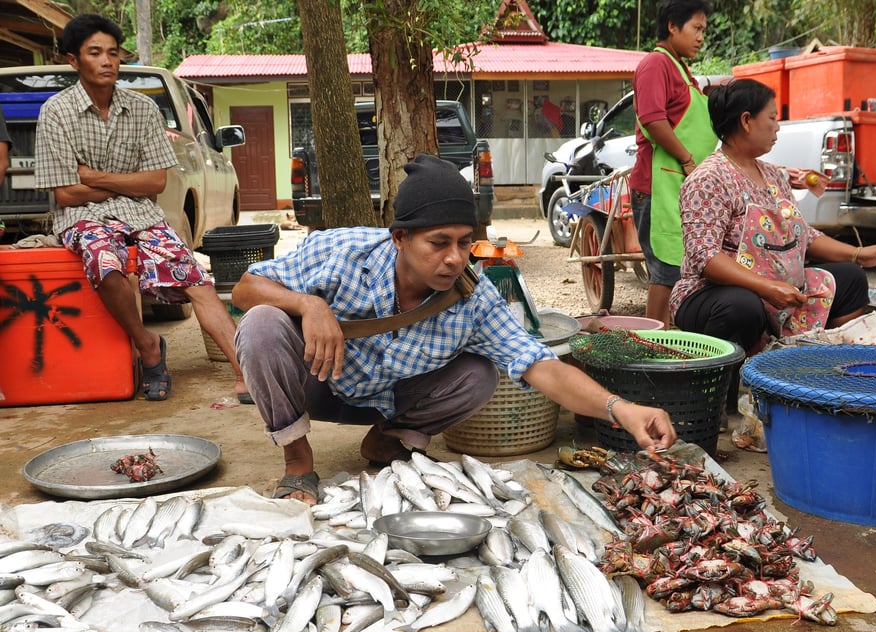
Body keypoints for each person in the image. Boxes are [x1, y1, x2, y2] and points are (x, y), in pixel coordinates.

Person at [233, 154, 677, 505]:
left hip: (390, 401)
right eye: (439, 242)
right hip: (315, 384)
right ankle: (297, 459)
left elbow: (542, 365)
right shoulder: (342, 251)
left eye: (465, 243)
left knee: (480, 375)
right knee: (262, 323)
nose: (454, 258)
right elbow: (245, 289)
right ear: (399, 238)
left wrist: (621, 409)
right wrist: (308, 304)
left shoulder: (474, 298)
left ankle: (387, 442)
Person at [34, 14, 248, 402]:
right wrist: (125, 183)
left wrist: (94, 177)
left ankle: (245, 369)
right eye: (95, 53)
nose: (107, 61)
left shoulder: (143, 109)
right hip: (83, 218)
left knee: (196, 281)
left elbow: (155, 183)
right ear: (73, 60)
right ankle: (148, 345)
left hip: (143, 216)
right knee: (105, 263)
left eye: (113, 53)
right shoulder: (56, 112)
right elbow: (66, 194)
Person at [670, 78, 876, 355]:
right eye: (772, 118)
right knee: (742, 306)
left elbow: (804, 236)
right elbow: (705, 257)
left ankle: (827, 359)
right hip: (712, 293)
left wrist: (859, 254)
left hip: (777, 287)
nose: (777, 127)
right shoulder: (709, 179)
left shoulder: (772, 175)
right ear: (746, 121)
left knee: (851, 278)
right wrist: (766, 287)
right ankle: (734, 377)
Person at [630, 0, 718, 328]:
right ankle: (652, 344)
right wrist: (687, 159)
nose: (701, 37)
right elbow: (652, 119)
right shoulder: (656, 64)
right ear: (672, 26)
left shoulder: (681, 70)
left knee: (679, 271)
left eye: (703, 30)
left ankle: (667, 339)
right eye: (696, 28)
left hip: (679, 185)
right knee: (665, 272)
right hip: (659, 185)